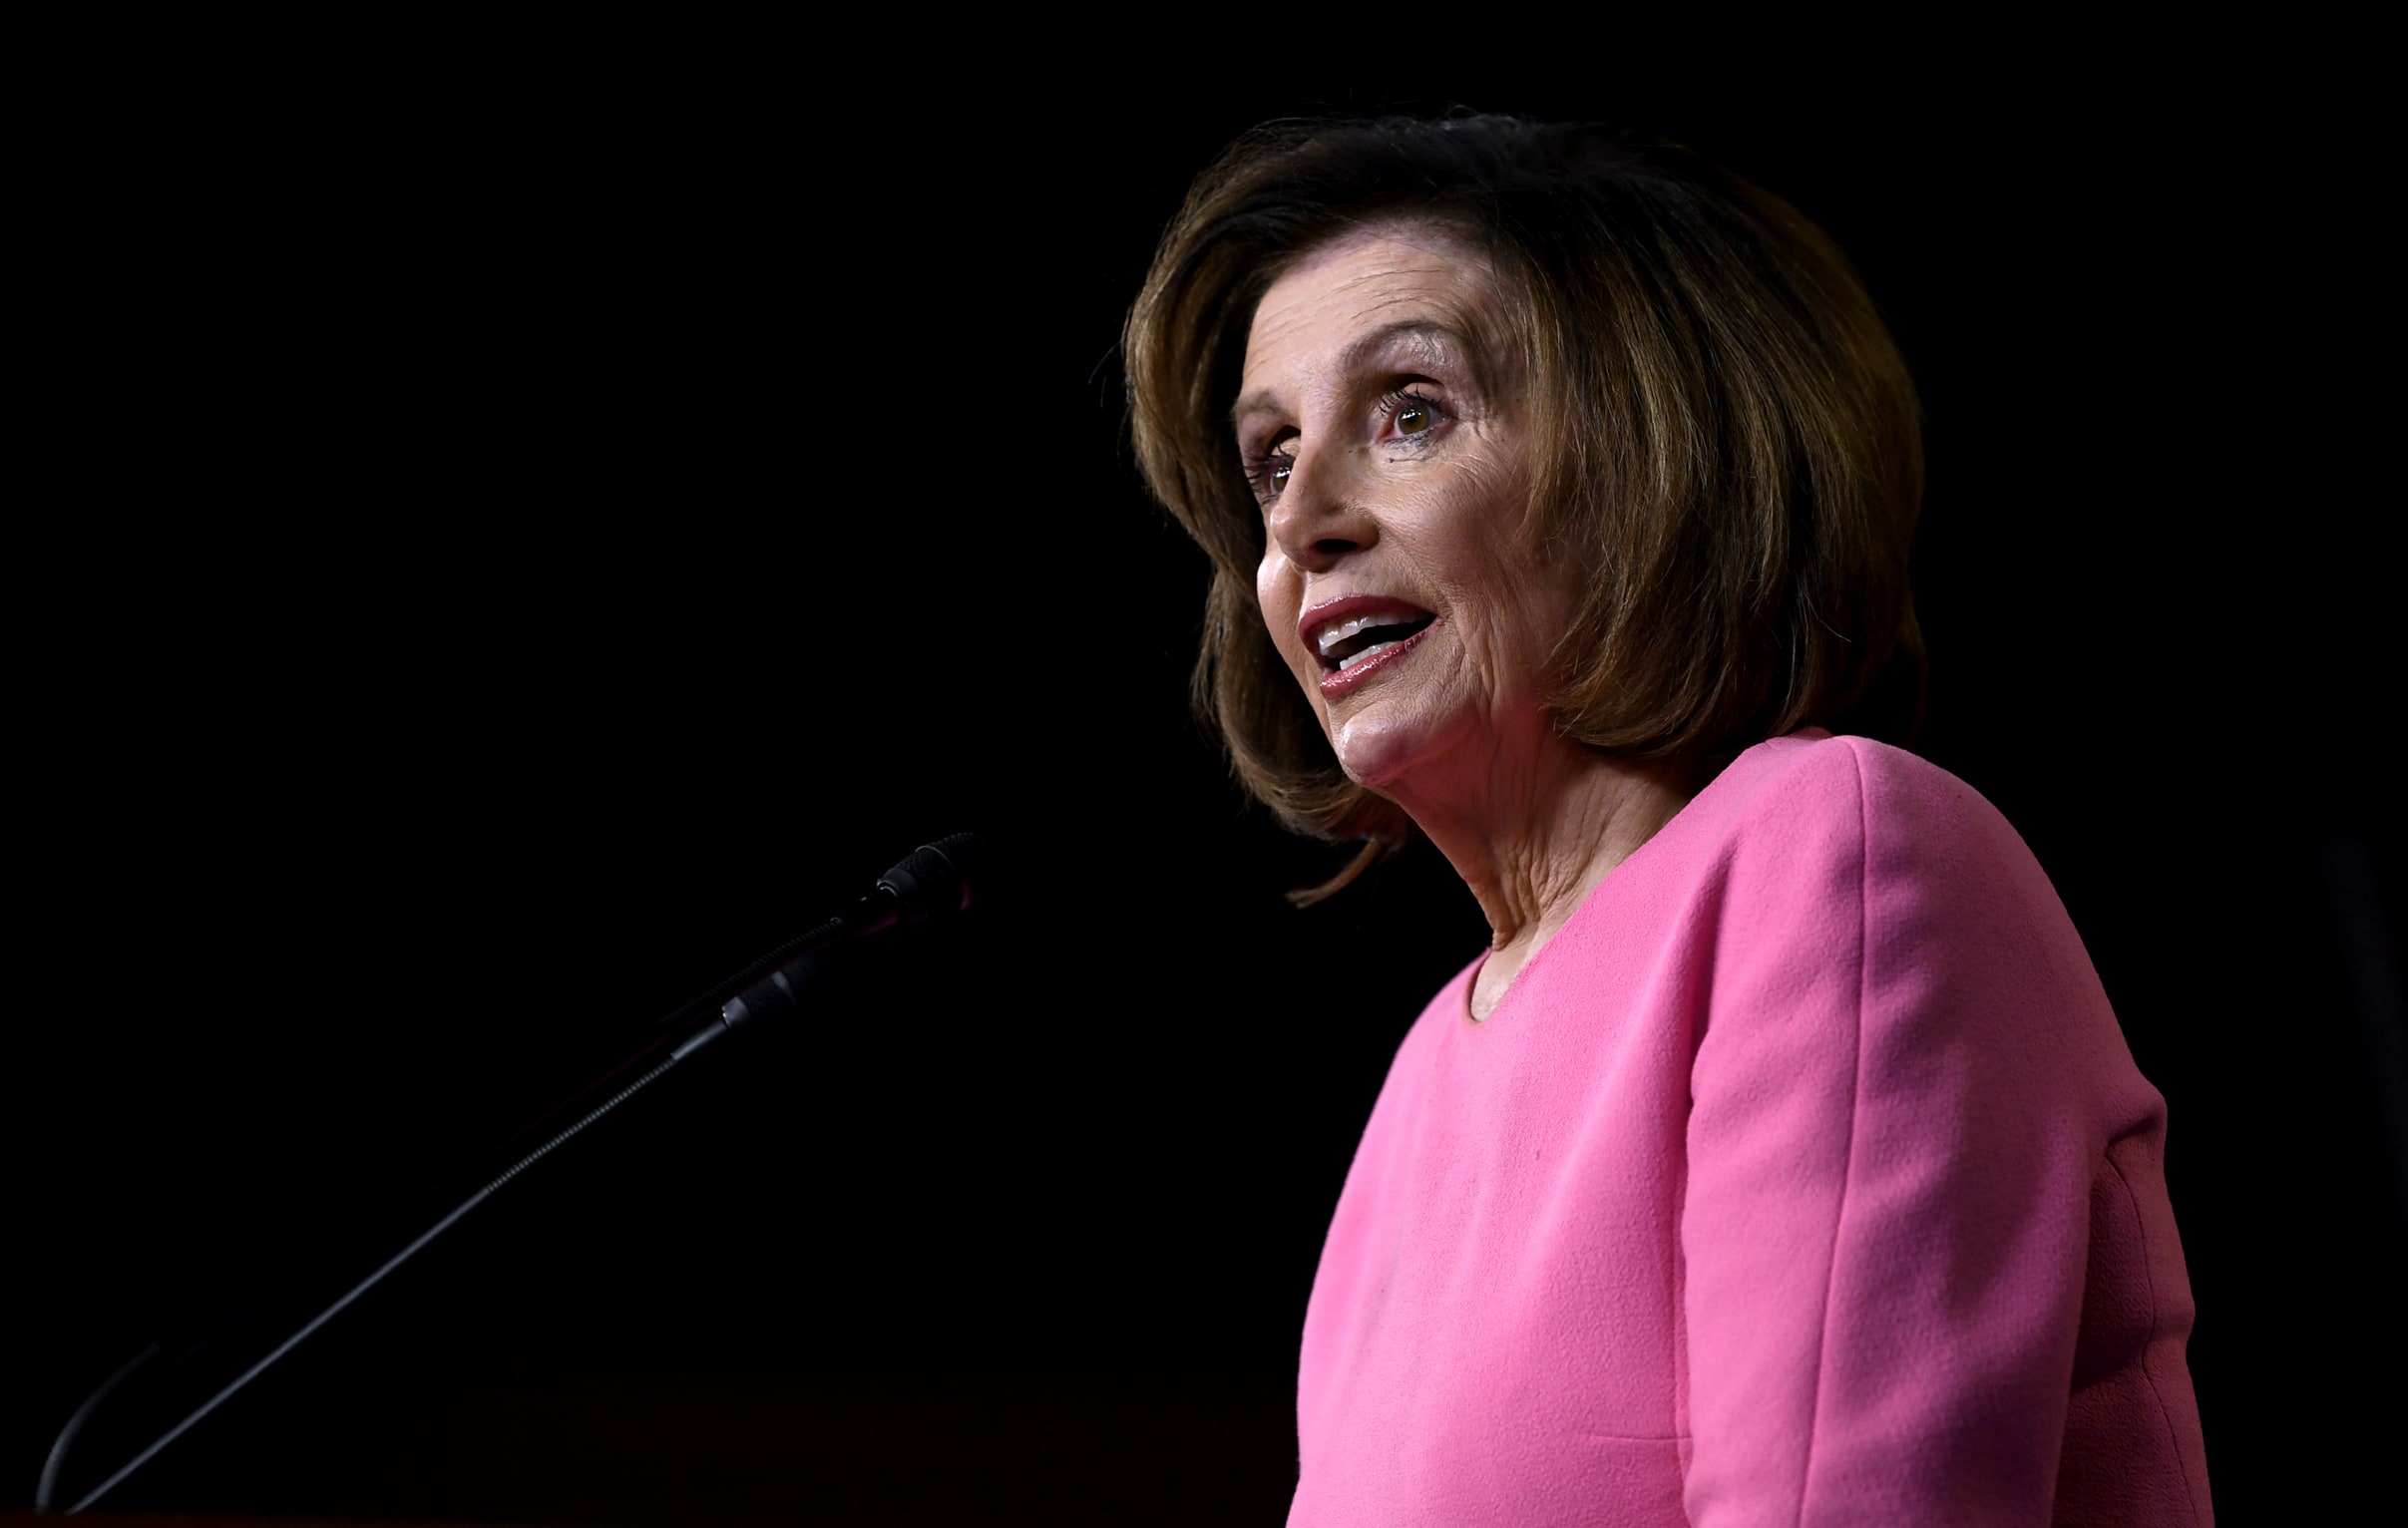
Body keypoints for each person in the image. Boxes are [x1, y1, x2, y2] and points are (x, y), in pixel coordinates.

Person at [1123, 116, 2212, 1525]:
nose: (1300, 525)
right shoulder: (1426, 1066)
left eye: (1409, 412)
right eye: (1270, 460)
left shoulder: (1835, 848)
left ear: (1656, 456)